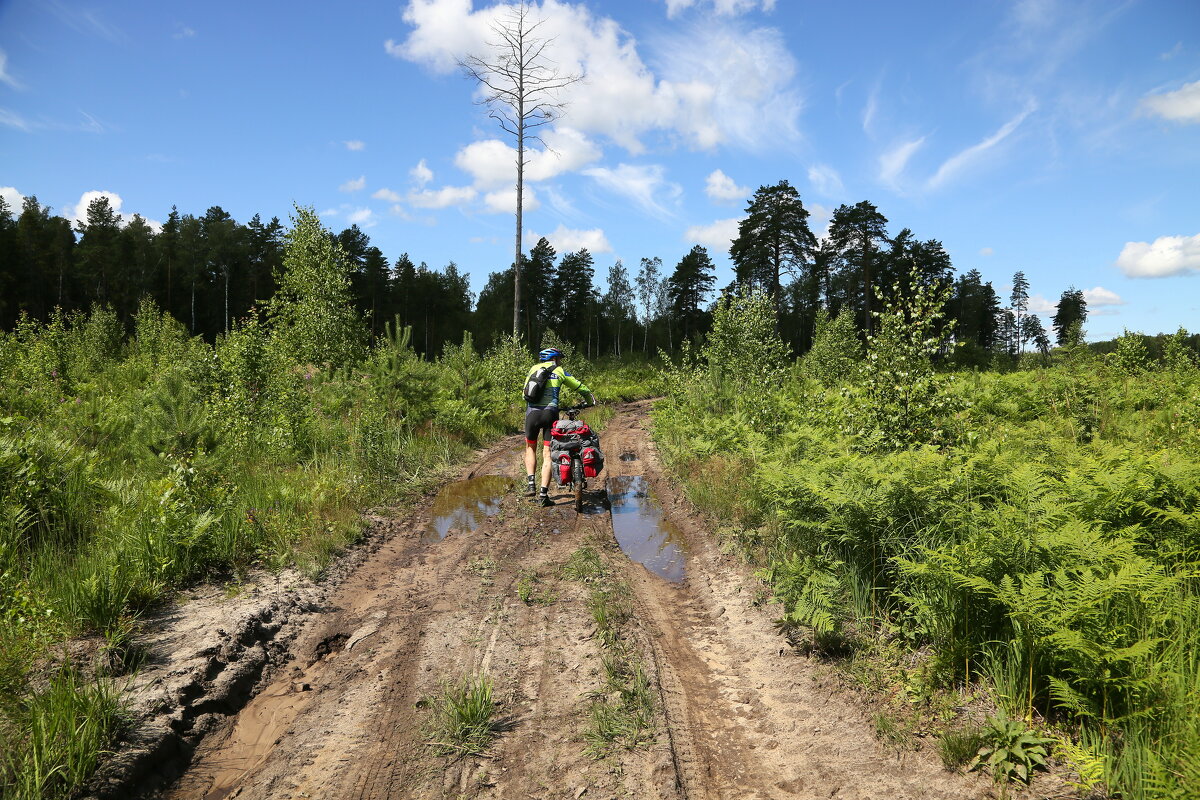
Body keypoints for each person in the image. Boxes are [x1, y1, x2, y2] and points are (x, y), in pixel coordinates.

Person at [524, 347, 595, 506]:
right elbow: (581, 387)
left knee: (530, 448)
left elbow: (525, 393)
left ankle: (530, 484)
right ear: (555, 359)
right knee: (547, 452)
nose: (560, 361)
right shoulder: (560, 371)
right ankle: (543, 495)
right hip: (550, 413)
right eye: (559, 359)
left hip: (532, 414)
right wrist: (590, 401)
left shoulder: (533, 369)